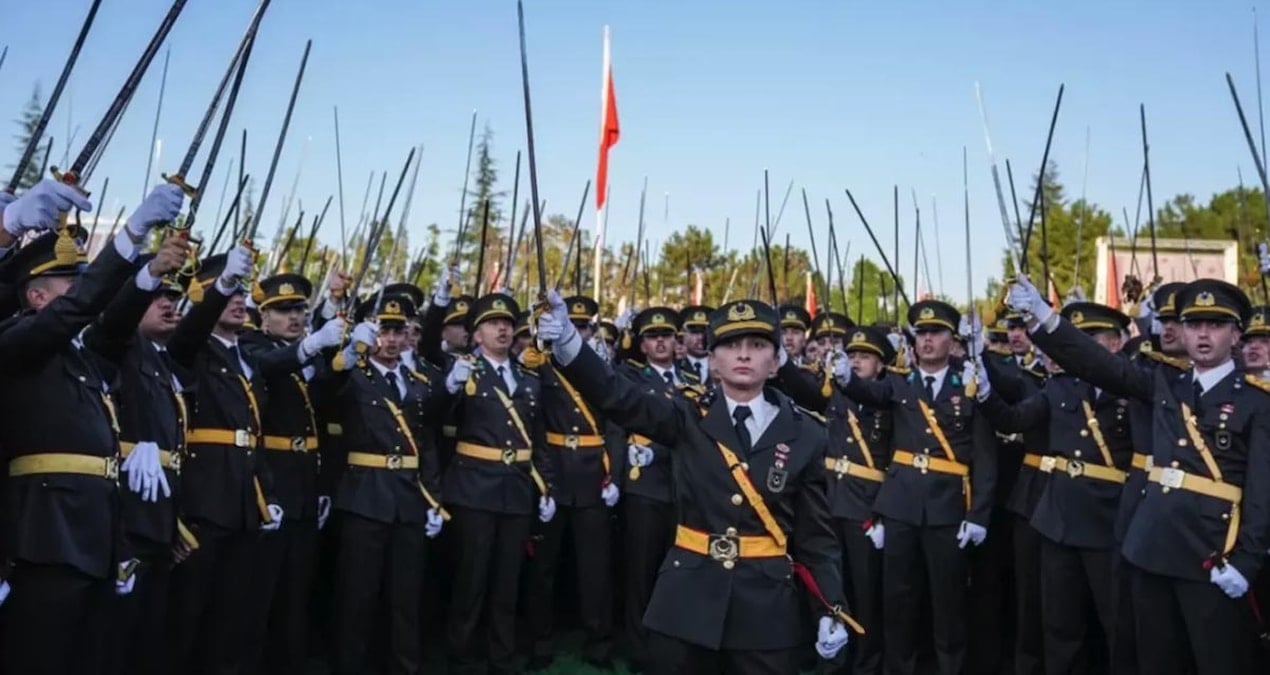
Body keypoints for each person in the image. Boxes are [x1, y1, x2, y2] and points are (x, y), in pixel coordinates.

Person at [539, 293, 855, 674]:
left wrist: (830, 606)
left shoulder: (806, 434)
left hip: (766, 608)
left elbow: (816, 537)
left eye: (756, 345)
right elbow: (616, 395)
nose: (743, 355)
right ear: (713, 361)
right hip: (686, 601)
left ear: (775, 363)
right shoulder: (685, 416)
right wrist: (569, 343)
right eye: (730, 345)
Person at [1010, 275, 1270, 674]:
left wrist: (1247, 562)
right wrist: (1043, 316)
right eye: (1194, 324)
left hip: (1214, 554)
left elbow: (1261, 491)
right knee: (1155, 661)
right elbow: (1095, 362)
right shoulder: (1165, 384)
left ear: (1236, 335)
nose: (1203, 334)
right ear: (1180, 331)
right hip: (1152, 549)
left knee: (1219, 661)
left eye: (1216, 325)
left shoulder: (1256, 402)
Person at [0, 180, 182, 674]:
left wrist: (144, 271)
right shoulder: (19, 339)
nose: (81, 293)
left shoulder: (81, 357)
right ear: (38, 296)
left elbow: (115, 320)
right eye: (68, 285)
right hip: (46, 536)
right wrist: (128, 236)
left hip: (96, 535)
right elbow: (77, 310)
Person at [834, 299, 996, 675]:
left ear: (951, 339)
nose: (927, 340)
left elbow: (985, 459)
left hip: (947, 509)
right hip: (901, 507)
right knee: (898, 603)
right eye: (920, 333)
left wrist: (979, 514)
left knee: (949, 605)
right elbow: (869, 394)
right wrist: (847, 378)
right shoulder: (897, 382)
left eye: (935, 333)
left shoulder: (969, 383)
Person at [978, 301, 1135, 673]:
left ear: (1115, 345)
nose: (1076, 346)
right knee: (1060, 625)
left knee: (1117, 623)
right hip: (1059, 519)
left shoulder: (1133, 388)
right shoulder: (1060, 386)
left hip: (1109, 519)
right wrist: (985, 394)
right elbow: (1016, 418)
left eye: (1090, 338)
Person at [164, 245, 285, 674]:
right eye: (224, 291)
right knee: (187, 615)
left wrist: (266, 493)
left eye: (239, 292)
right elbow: (187, 333)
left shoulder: (246, 357)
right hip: (204, 498)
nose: (238, 299)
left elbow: (253, 435)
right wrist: (222, 286)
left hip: (243, 501)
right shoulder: (191, 348)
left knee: (233, 616)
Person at [427, 275, 556, 675]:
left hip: (516, 488)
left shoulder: (530, 378)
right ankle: (461, 654)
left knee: (507, 580)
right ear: (476, 333)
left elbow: (539, 438)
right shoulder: (461, 370)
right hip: (473, 487)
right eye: (493, 323)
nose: (503, 329)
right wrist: (450, 387)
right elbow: (430, 416)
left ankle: (501, 656)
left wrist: (545, 485)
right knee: (471, 578)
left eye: (508, 324)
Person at [81, 234, 192, 675]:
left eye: (175, 296)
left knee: (147, 637)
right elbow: (114, 323)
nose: (169, 303)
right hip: (124, 517)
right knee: (112, 640)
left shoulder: (163, 358)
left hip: (160, 517)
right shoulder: (117, 344)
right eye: (158, 295)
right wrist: (146, 276)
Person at [329, 295, 449, 675]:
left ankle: (404, 667)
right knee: (357, 596)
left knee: (405, 597)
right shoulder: (353, 376)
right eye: (384, 330)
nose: (393, 339)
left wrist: (433, 498)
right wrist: (346, 353)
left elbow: (426, 443)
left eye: (399, 331)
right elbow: (325, 397)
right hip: (365, 496)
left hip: (409, 498)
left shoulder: (416, 383)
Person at [239, 273, 346, 675]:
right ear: (263, 317)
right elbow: (269, 366)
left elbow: (326, 418)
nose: (295, 317)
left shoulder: (310, 356)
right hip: (270, 483)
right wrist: (313, 344)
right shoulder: (253, 345)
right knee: (260, 592)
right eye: (283, 311)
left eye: (300, 309)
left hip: (304, 483)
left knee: (296, 592)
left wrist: (339, 361)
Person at [775, 325, 896, 675]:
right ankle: (829, 660)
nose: (857, 362)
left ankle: (867, 662)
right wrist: (782, 360)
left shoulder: (890, 400)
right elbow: (801, 389)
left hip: (865, 509)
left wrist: (883, 513)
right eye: (853, 355)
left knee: (865, 593)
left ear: (881, 365)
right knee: (827, 588)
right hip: (828, 501)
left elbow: (898, 459)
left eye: (866, 357)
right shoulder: (834, 392)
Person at [524, 294, 620, 670]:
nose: (576, 331)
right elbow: (532, 425)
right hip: (555, 473)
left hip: (594, 476)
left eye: (582, 327)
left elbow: (615, 423)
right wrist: (543, 481)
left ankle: (599, 643)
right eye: (571, 325)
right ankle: (540, 642)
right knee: (543, 568)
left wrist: (613, 475)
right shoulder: (541, 367)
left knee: (596, 568)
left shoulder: (599, 369)